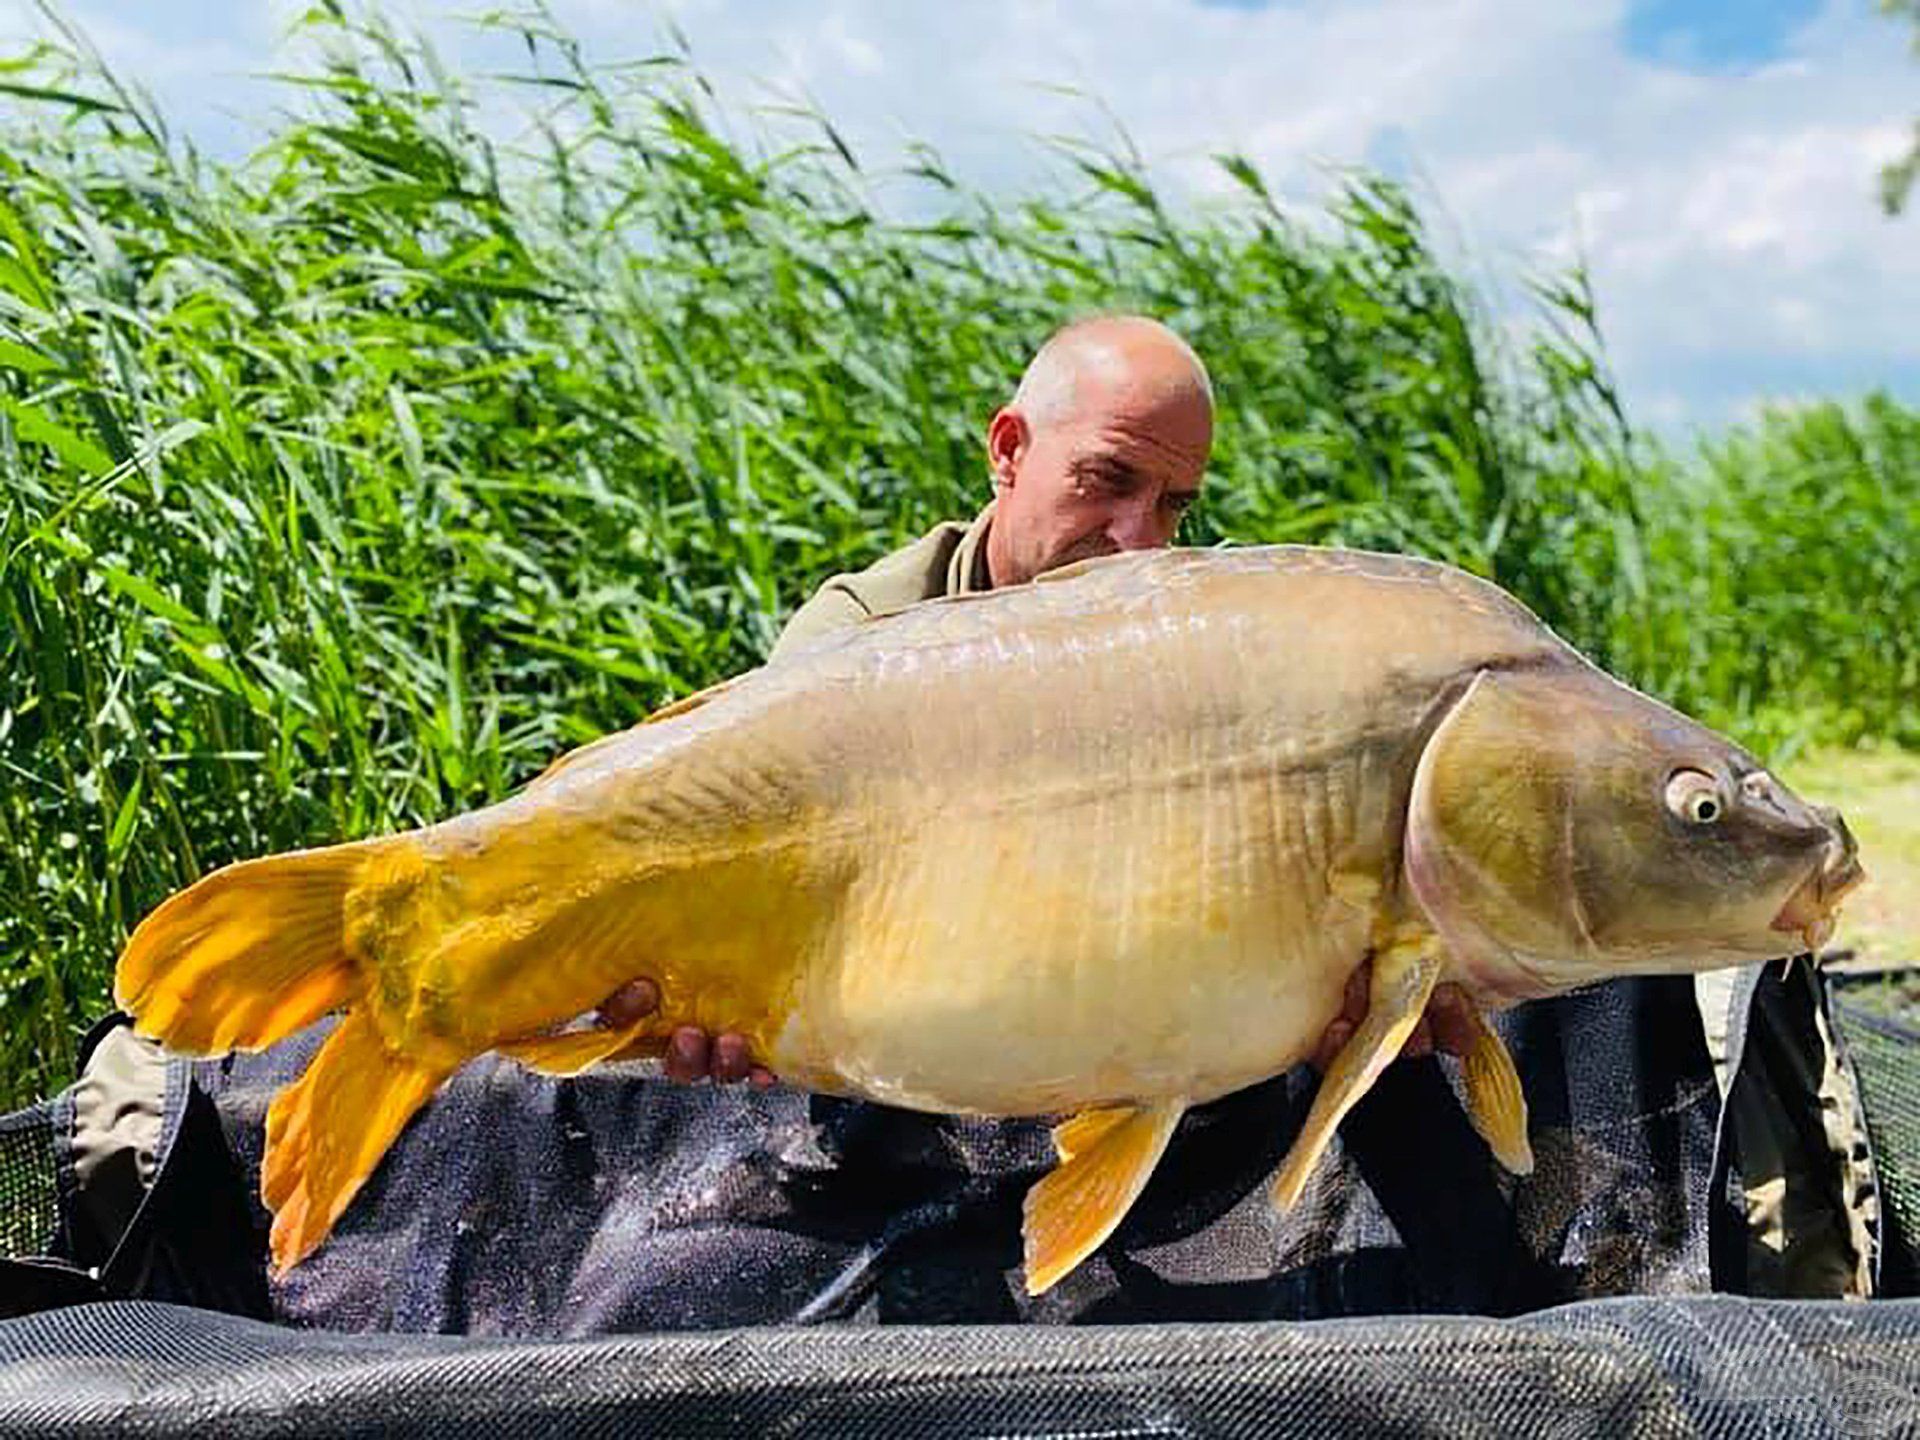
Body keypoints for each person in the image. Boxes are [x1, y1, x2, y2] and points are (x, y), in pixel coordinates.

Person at [594, 313, 1479, 1087]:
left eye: (1174, 506)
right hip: (919, 1030)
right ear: (1009, 450)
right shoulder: (860, 638)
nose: (1138, 542)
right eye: (1109, 479)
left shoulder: (1212, 640)